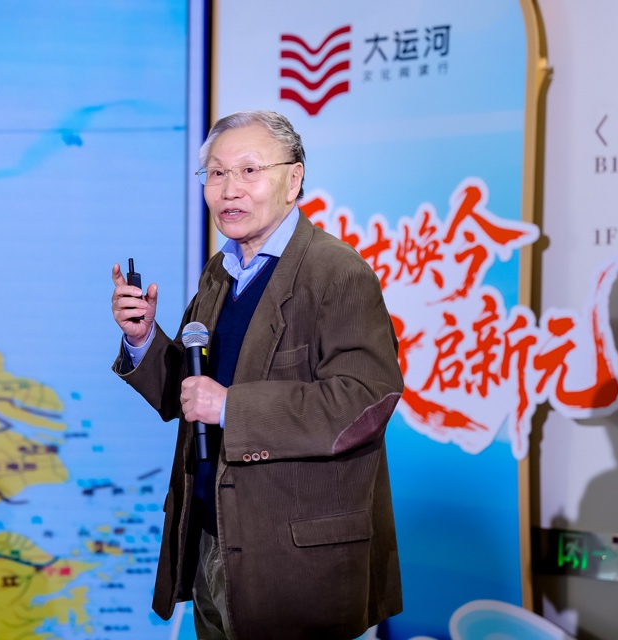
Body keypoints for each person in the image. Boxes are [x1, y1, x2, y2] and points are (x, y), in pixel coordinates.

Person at [110, 110, 403, 640]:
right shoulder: (220, 272)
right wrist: (143, 338)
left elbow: (365, 399)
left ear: (293, 179)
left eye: (249, 170)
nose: (230, 189)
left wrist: (230, 407)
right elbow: (189, 395)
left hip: (294, 562)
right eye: (217, 174)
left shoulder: (336, 272)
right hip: (212, 540)